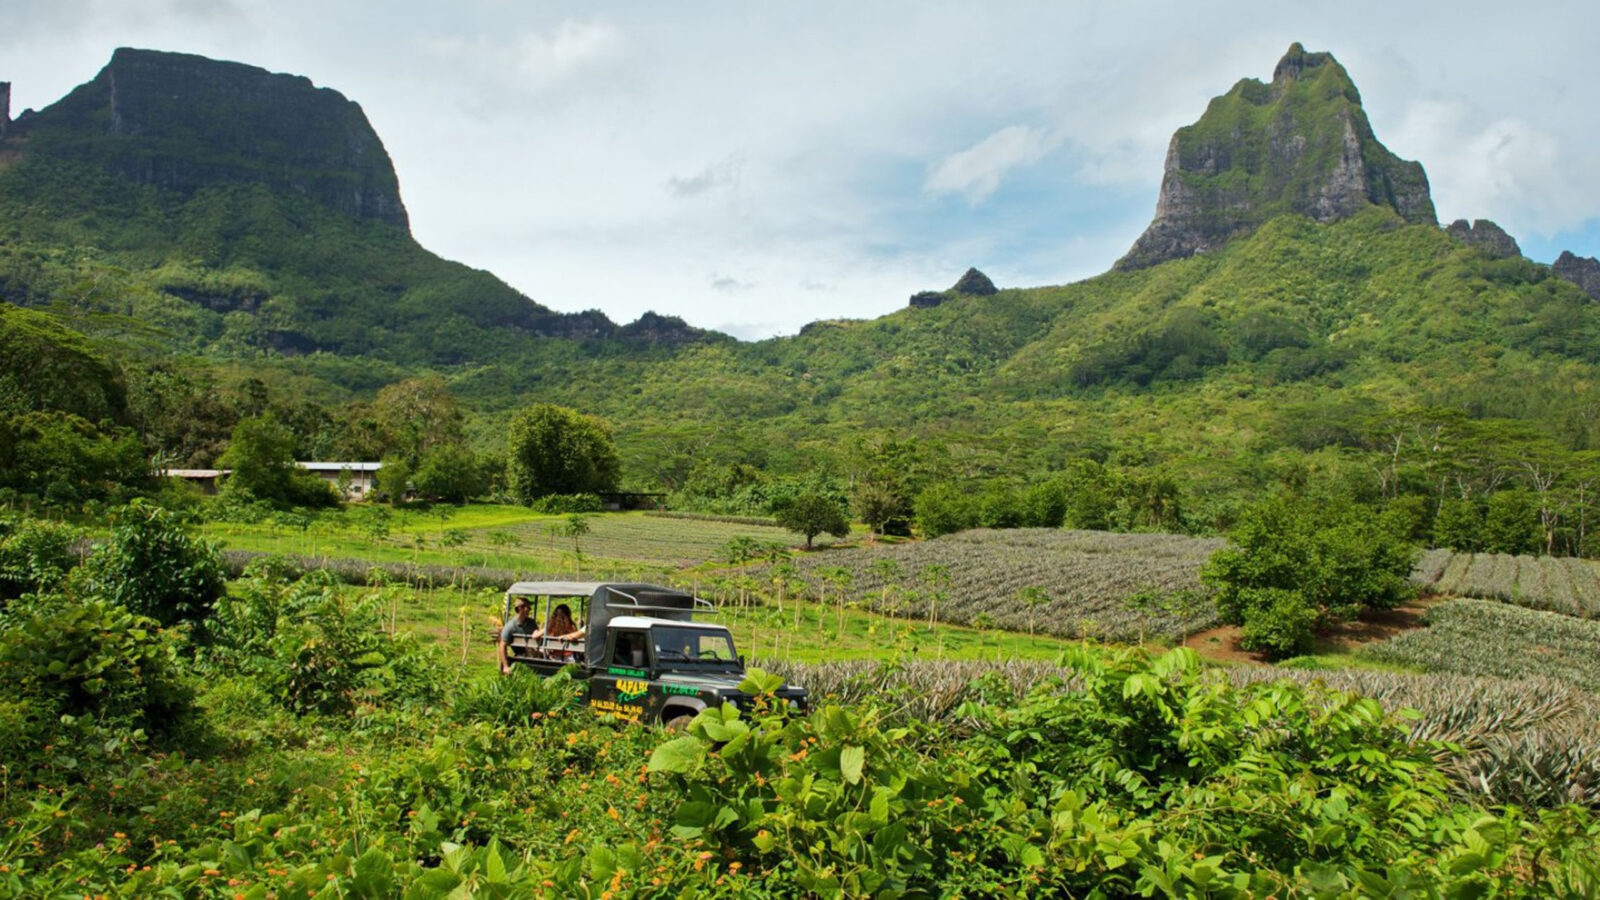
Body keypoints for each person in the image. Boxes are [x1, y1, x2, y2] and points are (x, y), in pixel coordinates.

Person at [498, 597, 540, 675]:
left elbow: (537, 635)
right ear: (520, 608)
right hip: (521, 656)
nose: (530, 609)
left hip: (534, 655)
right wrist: (505, 666)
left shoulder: (531, 623)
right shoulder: (511, 626)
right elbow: (502, 644)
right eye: (527, 607)